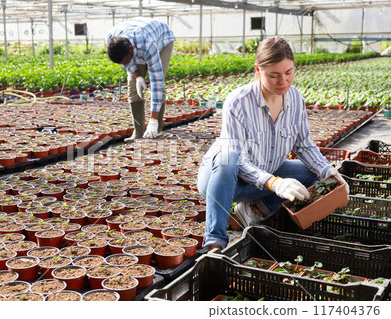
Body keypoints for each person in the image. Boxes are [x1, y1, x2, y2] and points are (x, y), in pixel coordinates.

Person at [197, 37, 348, 251]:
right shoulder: (238, 102)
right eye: (274, 75)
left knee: (314, 174)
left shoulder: (295, 99)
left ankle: (254, 210)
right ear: (258, 70)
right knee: (227, 158)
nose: (283, 81)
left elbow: (304, 145)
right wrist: (275, 183)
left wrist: (328, 172)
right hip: (224, 182)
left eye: (289, 73)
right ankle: (214, 243)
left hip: (265, 176)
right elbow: (238, 159)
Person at [106, 17, 175, 142]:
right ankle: (138, 132)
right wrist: (137, 76)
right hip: (138, 41)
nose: (126, 63)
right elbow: (125, 63)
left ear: (131, 50)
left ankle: (155, 129)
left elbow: (157, 82)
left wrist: (152, 120)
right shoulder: (112, 40)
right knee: (132, 88)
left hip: (163, 40)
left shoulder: (147, 45)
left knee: (160, 85)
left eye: (127, 60)